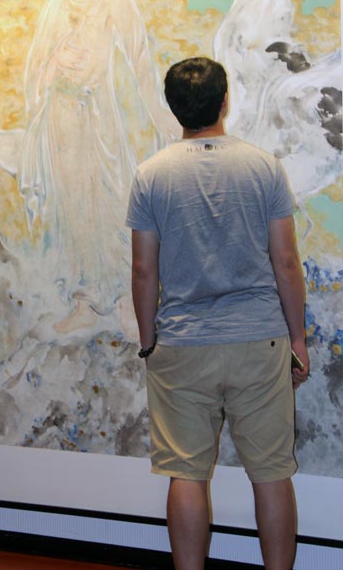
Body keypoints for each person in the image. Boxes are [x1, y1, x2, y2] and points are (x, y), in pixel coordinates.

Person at [126, 56, 309, 570]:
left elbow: (143, 270)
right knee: (271, 473)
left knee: (186, 474)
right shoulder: (263, 167)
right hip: (259, 341)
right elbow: (286, 262)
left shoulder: (150, 175)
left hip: (182, 344)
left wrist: (148, 341)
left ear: (173, 108)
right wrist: (297, 339)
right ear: (224, 101)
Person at [16, 0, 179, 332]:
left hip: (104, 117)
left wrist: (163, 118)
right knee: (75, 211)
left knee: (114, 202)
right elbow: (36, 67)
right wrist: (54, 64)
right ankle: (86, 300)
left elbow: (139, 55)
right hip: (62, 122)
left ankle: (128, 300)